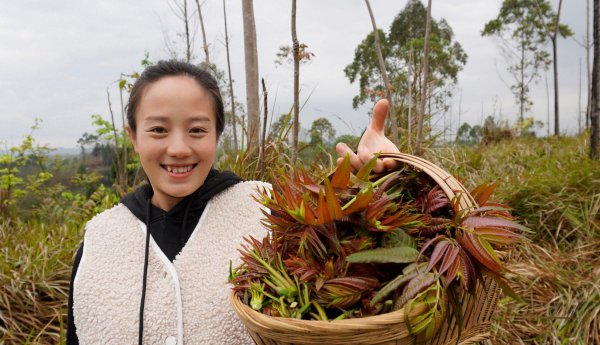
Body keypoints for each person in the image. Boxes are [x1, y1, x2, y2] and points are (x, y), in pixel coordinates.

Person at [66, 60, 400, 345]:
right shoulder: (100, 240)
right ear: (133, 137)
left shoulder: (269, 210)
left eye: (197, 130)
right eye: (158, 130)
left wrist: (375, 179)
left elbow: (361, 259)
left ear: (216, 135)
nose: (179, 148)